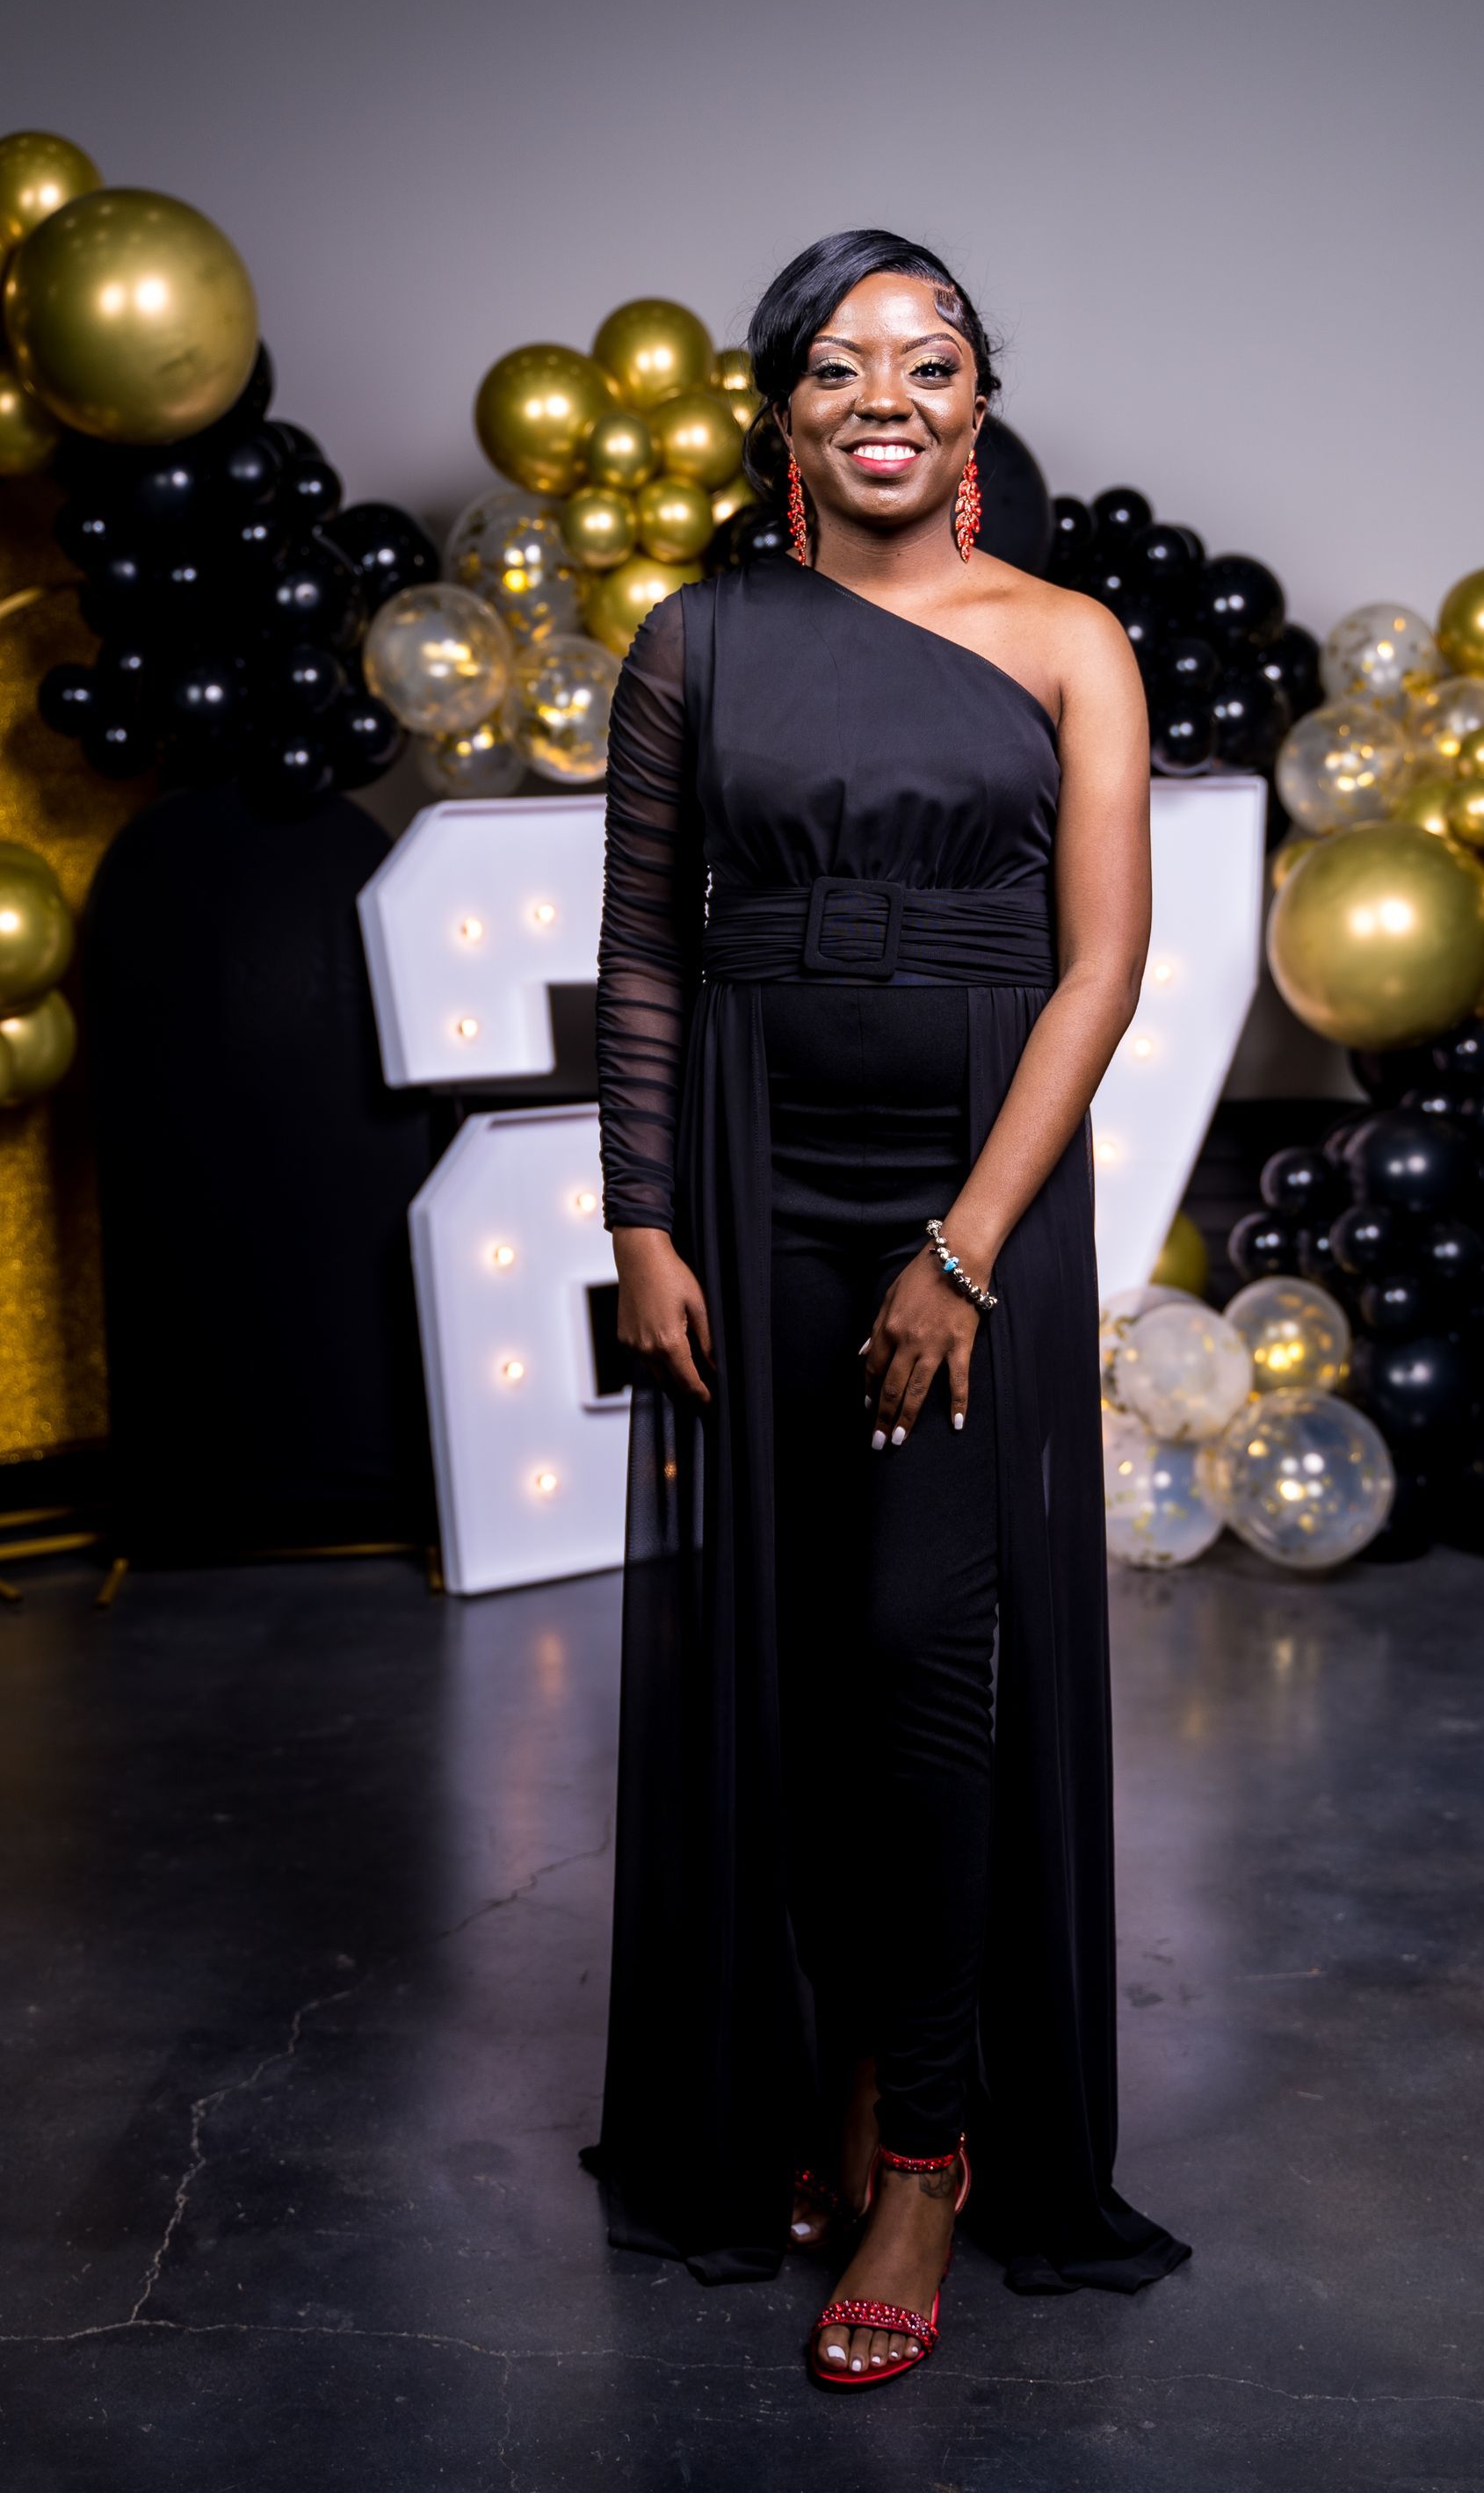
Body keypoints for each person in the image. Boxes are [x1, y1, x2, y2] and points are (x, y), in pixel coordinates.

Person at [587, 228, 1189, 2390]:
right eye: (842, 364)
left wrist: (964, 1247)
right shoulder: (697, 638)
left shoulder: (1070, 638)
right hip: (749, 1186)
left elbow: (1101, 965)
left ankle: (930, 2148)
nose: (886, 397)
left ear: (976, 404)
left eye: (928, 363)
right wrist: (641, 1219)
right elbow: (645, 945)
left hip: (971, 1189)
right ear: (784, 410)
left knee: (926, 1653)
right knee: (790, 1666)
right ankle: (825, 2078)